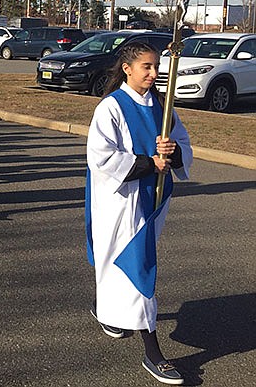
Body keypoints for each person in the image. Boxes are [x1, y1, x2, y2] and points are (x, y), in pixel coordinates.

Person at [86, 42, 192, 386]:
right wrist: (149, 163)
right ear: (127, 68)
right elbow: (100, 157)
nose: (154, 73)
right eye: (146, 66)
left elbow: (183, 145)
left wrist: (172, 153)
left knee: (121, 264)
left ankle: (107, 311)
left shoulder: (162, 106)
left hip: (152, 200)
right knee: (137, 267)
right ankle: (153, 352)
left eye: (156, 66)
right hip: (121, 201)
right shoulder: (111, 107)